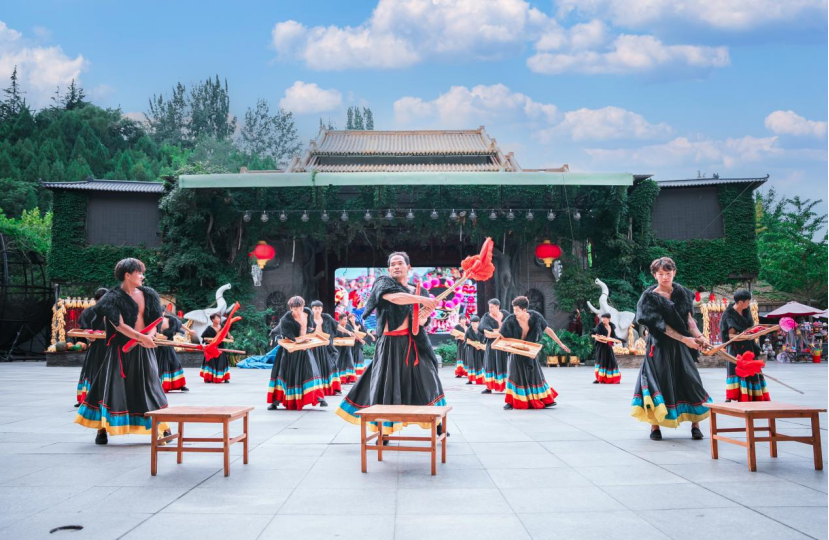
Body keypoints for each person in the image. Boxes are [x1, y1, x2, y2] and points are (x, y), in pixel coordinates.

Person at [336, 252, 445, 435]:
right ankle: (384, 429)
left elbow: (421, 322)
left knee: (428, 380)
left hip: (414, 343)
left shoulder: (420, 291)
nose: (396, 267)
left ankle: (438, 423)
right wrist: (422, 300)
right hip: (389, 344)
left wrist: (424, 316)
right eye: (392, 264)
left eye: (400, 263)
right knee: (386, 384)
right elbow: (395, 298)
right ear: (388, 269)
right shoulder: (383, 283)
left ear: (408, 267)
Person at [75, 258, 169, 444]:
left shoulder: (149, 294)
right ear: (128, 275)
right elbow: (118, 325)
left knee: (151, 386)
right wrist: (141, 337)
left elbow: (155, 320)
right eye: (139, 273)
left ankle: (162, 426)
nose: (142, 276)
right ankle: (102, 428)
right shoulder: (111, 298)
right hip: (120, 349)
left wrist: (149, 336)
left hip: (143, 349)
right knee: (111, 387)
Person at [632, 257, 711, 441]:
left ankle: (696, 425)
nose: (665, 277)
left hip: (682, 346)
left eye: (668, 273)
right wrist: (685, 339)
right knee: (659, 383)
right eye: (661, 274)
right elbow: (661, 327)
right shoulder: (648, 298)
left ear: (674, 272)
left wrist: (700, 337)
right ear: (654, 275)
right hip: (659, 346)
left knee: (691, 381)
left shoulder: (682, 293)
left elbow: (689, 320)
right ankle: (655, 427)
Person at [500, 296, 570, 410]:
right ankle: (511, 402)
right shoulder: (510, 320)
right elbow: (501, 335)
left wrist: (560, 344)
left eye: (517, 310)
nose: (514, 312)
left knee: (536, 376)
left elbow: (548, 330)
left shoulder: (536, 317)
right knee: (515, 376)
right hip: (515, 352)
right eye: (514, 310)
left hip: (530, 351)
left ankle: (543, 399)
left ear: (524, 310)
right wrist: (505, 344)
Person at [267, 296, 327, 410]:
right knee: (283, 373)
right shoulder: (286, 319)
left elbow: (310, 327)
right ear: (291, 308)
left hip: (305, 347)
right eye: (295, 309)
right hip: (289, 349)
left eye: (300, 308)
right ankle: (275, 402)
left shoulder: (308, 312)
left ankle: (319, 397)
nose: (298, 311)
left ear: (303, 307)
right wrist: (299, 341)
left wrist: (309, 336)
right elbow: (289, 335)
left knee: (311, 370)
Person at [721, 289, 769, 402]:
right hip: (736, 347)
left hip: (748, 345)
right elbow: (731, 335)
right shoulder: (729, 315)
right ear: (740, 302)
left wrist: (753, 332)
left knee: (752, 368)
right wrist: (745, 335)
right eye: (747, 301)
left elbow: (750, 327)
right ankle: (735, 394)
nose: (748, 304)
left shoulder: (746, 311)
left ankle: (753, 394)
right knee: (738, 369)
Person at [74, 287, 109, 407]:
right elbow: (84, 330)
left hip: (110, 346)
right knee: (93, 371)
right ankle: (88, 398)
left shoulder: (113, 312)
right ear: (96, 300)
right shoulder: (89, 312)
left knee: (107, 371)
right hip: (96, 346)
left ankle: (106, 398)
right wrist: (88, 338)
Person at [308, 300, 342, 396]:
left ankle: (332, 388)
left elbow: (336, 326)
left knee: (330, 365)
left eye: (319, 308)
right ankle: (317, 390)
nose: (317, 310)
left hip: (326, 345)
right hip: (313, 346)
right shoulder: (308, 319)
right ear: (312, 309)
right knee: (316, 367)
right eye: (315, 308)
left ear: (322, 309)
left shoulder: (327, 318)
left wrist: (348, 332)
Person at [155, 313, 190, 392]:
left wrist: (189, 330)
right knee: (159, 365)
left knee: (175, 363)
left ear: (164, 313)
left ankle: (180, 384)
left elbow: (180, 324)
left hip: (169, 346)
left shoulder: (171, 320)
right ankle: (160, 385)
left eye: (161, 312)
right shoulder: (154, 320)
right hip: (158, 347)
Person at [481, 299, 509, 393]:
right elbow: (487, 333)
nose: (490, 309)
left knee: (505, 364)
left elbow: (510, 328)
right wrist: (502, 333)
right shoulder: (486, 317)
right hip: (492, 345)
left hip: (504, 344)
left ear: (497, 307)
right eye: (489, 307)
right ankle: (489, 387)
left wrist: (495, 332)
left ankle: (507, 386)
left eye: (492, 307)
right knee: (490, 364)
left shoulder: (506, 314)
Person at [200, 313, 232, 383]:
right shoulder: (209, 329)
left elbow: (226, 333)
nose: (219, 319)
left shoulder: (222, 326)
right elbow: (204, 338)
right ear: (212, 320)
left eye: (219, 318)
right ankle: (209, 378)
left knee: (222, 362)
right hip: (212, 348)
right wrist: (209, 340)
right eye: (217, 318)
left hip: (221, 347)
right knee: (211, 362)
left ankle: (224, 377)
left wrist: (230, 337)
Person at [592, 313, 621, 384]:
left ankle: (613, 378)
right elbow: (596, 335)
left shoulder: (611, 326)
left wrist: (619, 340)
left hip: (609, 346)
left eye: (605, 318)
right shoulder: (599, 326)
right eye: (602, 318)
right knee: (601, 362)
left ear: (609, 319)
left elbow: (613, 336)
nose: (603, 319)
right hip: (601, 347)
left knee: (612, 362)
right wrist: (601, 338)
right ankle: (599, 378)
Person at [335, 316, 357, 384]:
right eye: (344, 319)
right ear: (340, 320)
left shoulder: (348, 326)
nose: (346, 321)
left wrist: (353, 337)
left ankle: (350, 378)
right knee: (337, 360)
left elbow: (353, 334)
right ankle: (337, 378)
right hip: (338, 346)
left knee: (349, 361)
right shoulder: (336, 326)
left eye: (346, 319)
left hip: (347, 346)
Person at [348, 311, 369, 377]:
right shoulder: (348, 325)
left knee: (360, 356)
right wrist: (357, 329)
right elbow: (353, 333)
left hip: (358, 343)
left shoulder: (358, 323)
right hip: (352, 343)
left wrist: (364, 339)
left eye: (353, 317)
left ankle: (359, 371)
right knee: (353, 356)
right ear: (349, 319)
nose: (352, 319)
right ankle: (353, 372)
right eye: (351, 317)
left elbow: (364, 331)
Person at [465, 316, 485, 385]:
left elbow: (484, 339)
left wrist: (480, 345)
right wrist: (473, 344)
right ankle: (470, 379)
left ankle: (480, 379)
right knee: (471, 363)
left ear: (478, 323)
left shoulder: (482, 330)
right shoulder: (469, 330)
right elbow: (466, 340)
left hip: (480, 349)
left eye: (474, 322)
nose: (473, 324)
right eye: (472, 322)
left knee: (480, 363)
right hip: (471, 349)